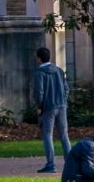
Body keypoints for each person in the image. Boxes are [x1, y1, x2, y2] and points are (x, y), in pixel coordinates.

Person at [30, 46, 70, 175]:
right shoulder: (59, 70)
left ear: (39, 58)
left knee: (47, 135)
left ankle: (51, 164)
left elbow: (38, 92)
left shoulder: (39, 73)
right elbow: (66, 88)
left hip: (48, 107)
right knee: (64, 135)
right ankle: (70, 163)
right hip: (61, 106)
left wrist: (39, 106)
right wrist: (63, 100)